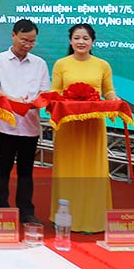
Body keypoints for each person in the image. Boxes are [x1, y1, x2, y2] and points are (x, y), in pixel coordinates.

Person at [50, 23, 118, 233]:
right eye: (77, 38)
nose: (81, 42)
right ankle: (64, 217)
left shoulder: (102, 65)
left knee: (93, 170)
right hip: (68, 127)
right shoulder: (61, 64)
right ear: (71, 41)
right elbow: (55, 92)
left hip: (93, 125)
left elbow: (108, 92)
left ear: (92, 42)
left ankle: (94, 219)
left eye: (85, 38)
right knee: (67, 170)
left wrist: (114, 100)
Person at [0, 19, 50, 225]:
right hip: (6, 123)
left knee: (26, 170)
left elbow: (44, 91)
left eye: (32, 41)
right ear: (13, 35)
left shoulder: (39, 63)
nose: (28, 44)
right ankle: (2, 208)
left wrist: (34, 101)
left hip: (30, 125)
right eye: (24, 40)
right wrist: (12, 100)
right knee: (2, 169)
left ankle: (26, 211)